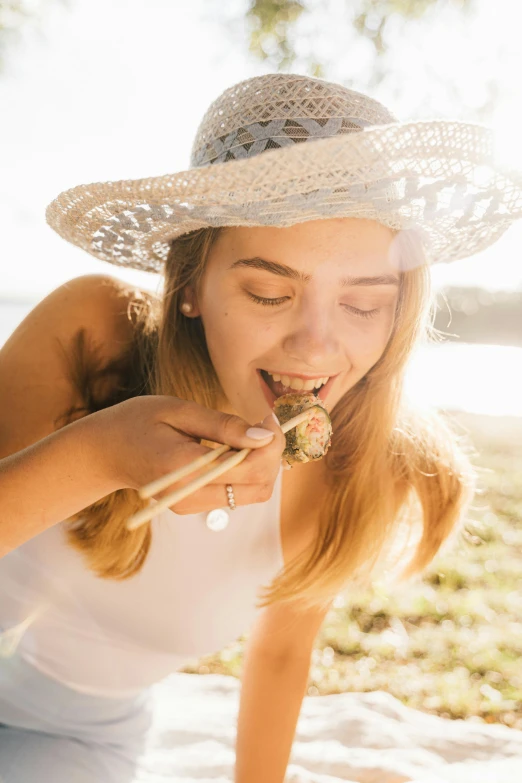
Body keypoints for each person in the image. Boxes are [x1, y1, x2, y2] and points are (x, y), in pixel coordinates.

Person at [0, 72, 520, 783]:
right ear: (189, 286)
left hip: (72, 736)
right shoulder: (92, 333)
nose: (314, 347)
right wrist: (98, 455)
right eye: (270, 292)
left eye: (364, 304)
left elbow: (278, 655)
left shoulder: (352, 474)